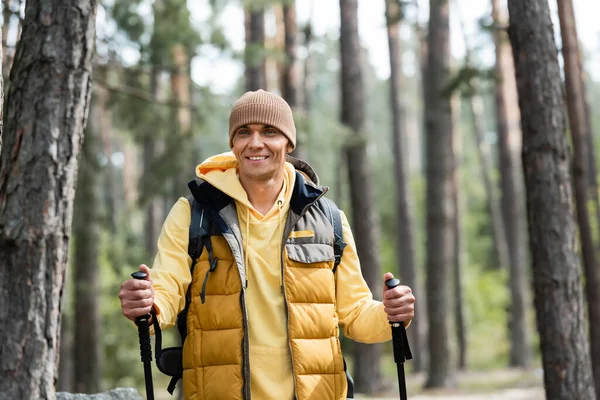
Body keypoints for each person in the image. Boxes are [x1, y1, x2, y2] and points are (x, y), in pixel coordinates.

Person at [119, 89, 415, 400]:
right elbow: (166, 293)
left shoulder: (328, 219)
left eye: (270, 132)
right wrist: (146, 307)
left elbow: (355, 314)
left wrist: (391, 315)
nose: (255, 142)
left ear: (289, 143)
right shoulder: (193, 212)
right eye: (244, 132)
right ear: (233, 143)